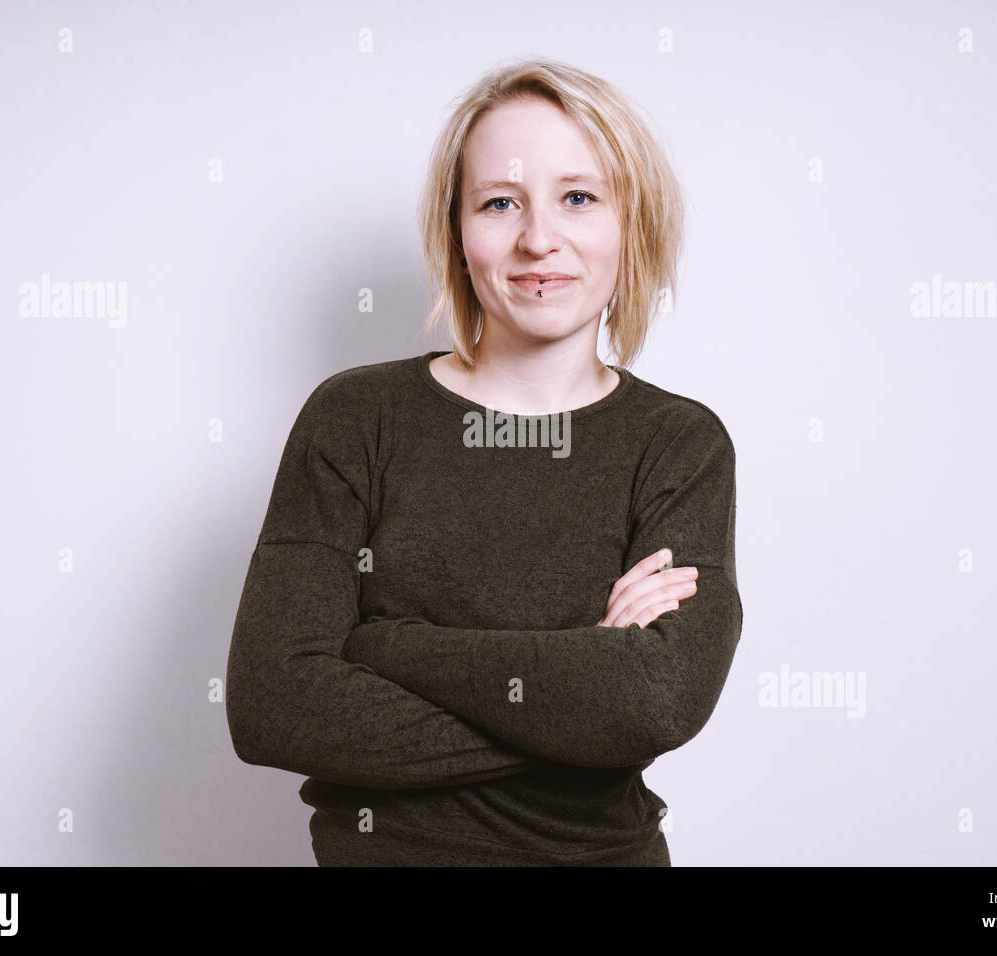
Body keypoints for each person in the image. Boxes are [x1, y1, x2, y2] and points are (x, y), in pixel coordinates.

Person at [225, 57, 743, 866]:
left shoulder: (679, 446)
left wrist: (383, 645)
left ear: (629, 222)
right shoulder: (356, 419)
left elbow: (654, 699)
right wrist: (580, 692)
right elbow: (272, 704)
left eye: (579, 197)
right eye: (500, 202)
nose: (539, 238)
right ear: (457, 233)